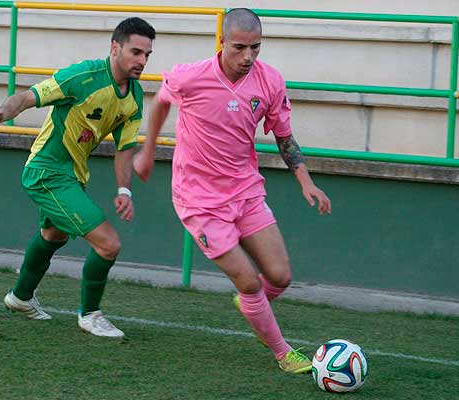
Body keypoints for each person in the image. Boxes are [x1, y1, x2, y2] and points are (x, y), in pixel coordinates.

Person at [134, 8, 331, 372]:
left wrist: (307, 181)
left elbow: (285, 138)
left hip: (246, 192)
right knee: (247, 281)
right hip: (199, 201)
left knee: (280, 277)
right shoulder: (189, 77)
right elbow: (161, 103)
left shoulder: (270, 81)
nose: (248, 57)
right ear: (222, 42)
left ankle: (251, 304)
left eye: (255, 48)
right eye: (240, 47)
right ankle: (283, 353)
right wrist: (148, 151)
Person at [0, 17, 156, 339]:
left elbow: (125, 148)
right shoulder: (83, 76)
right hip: (47, 171)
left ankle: (19, 297)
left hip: (73, 176)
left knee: (53, 235)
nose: (142, 61)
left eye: (147, 55)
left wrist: (125, 190)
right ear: (115, 48)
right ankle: (90, 315)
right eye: (136, 52)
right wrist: (2, 114)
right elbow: (27, 97)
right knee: (109, 245)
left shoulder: (134, 96)